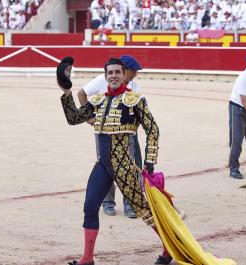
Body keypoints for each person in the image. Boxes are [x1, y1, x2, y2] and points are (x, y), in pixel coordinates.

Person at [59, 58, 172, 265]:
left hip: (124, 166)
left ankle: (168, 248)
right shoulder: (98, 101)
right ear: (105, 76)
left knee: (143, 209)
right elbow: (73, 118)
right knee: (90, 206)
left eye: (117, 72)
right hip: (103, 165)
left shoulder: (134, 100)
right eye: (109, 73)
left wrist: (150, 160)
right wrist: (66, 92)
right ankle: (87, 258)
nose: (113, 76)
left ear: (123, 74)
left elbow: (152, 129)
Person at [77, 55, 142, 219]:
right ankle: (108, 204)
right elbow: (81, 93)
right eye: (133, 71)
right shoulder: (102, 80)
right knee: (106, 166)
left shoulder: (134, 85)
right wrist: (89, 117)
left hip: (125, 135)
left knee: (128, 167)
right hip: (104, 134)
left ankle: (130, 205)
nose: (135, 74)